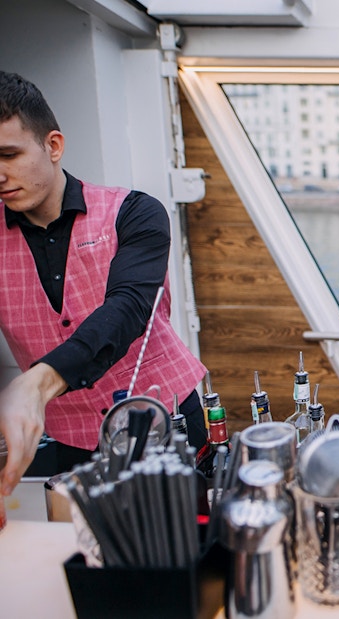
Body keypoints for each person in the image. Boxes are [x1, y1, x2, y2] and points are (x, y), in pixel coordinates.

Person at [0, 71, 208, 495]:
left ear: (53, 145)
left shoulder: (134, 213)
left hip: (164, 418)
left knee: (185, 542)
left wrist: (37, 383)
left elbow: (127, 309)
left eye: (9, 154)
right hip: (71, 439)